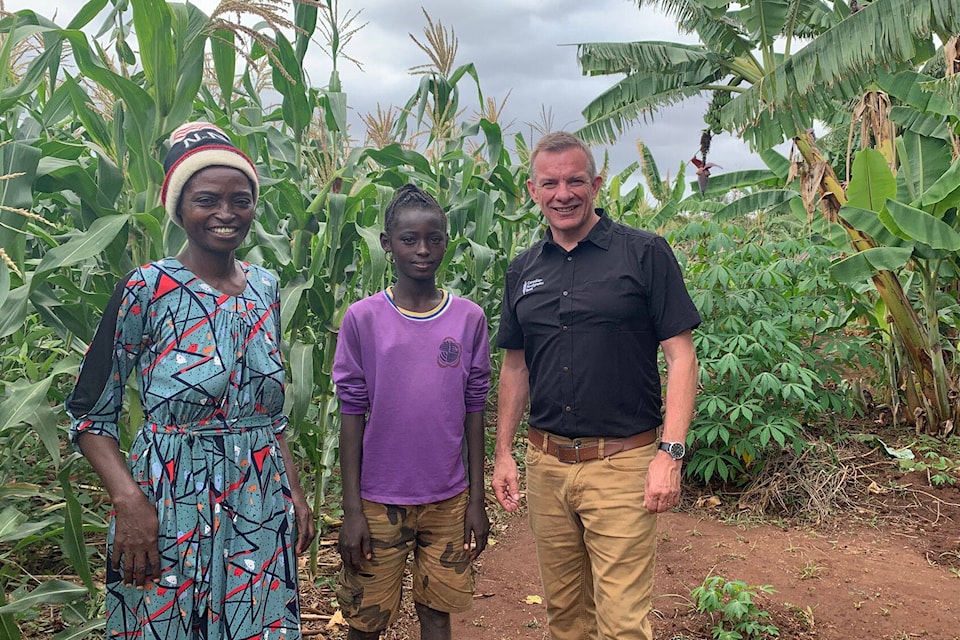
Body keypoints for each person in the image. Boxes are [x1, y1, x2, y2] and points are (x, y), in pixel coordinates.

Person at [66, 122, 316, 639]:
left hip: (258, 498)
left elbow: (271, 413)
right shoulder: (147, 289)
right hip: (169, 500)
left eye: (240, 200)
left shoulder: (264, 288)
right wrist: (129, 503)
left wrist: (293, 491)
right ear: (180, 208)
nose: (226, 213)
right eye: (207, 199)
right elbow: (91, 414)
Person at [491, 131, 701, 640]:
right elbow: (515, 367)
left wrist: (669, 455)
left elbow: (681, 356)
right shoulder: (523, 270)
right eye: (550, 183)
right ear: (532, 190)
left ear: (596, 184)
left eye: (575, 180)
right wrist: (503, 453)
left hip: (622, 464)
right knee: (565, 617)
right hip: (547, 466)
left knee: (623, 623)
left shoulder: (644, 253)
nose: (563, 193)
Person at [332, 184, 491, 640]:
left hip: (448, 499)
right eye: (408, 239)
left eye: (434, 238)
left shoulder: (468, 319)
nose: (423, 250)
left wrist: (476, 501)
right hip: (378, 500)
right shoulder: (362, 318)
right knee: (366, 621)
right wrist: (352, 511)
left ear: (446, 240)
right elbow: (351, 412)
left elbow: (474, 410)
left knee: (438, 616)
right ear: (387, 244)